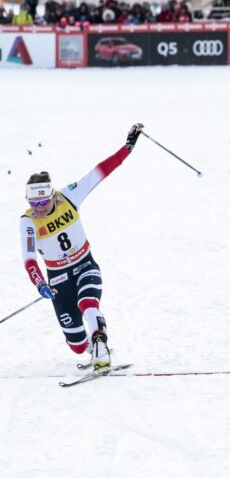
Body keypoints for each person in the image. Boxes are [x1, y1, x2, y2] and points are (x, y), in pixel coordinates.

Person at [19, 124, 143, 370]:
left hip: (84, 264)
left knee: (88, 303)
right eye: (33, 203)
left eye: (43, 202)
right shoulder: (28, 221)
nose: (39, 208)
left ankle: (100, 346)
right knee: (76, 344)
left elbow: (100, 172)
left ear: (52, 196)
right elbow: (29, 259)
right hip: (58, 278)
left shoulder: (68, 197)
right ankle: (91, 348)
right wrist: (41, 283)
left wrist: (127, 148)